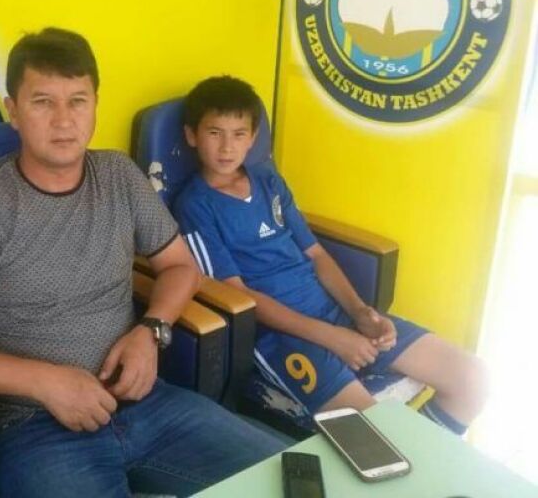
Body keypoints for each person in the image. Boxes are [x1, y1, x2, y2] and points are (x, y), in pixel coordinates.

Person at [0, 30, 289, 498]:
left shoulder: (119, 175)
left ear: (96, 105)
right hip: (34, 429)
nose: (64, 121)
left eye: (78, 101)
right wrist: (45, 382)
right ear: (13, 111)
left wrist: (151, 331)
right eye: (43, 102)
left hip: (147, 404)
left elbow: (181, 267)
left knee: (296, 479)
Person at [172, 75, 488, 435]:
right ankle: (413, 463)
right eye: (214, 133)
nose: (227, 147)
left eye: (239, 133)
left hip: (334, 312)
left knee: (471, 379)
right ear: (192, 136)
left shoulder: (269, 182)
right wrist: (332, 338)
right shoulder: (194, 205)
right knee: (377, 437)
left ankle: (422, 460)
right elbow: (236, 296)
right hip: (280, 337)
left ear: (253, 138)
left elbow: (317, 254)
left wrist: (360, 313)